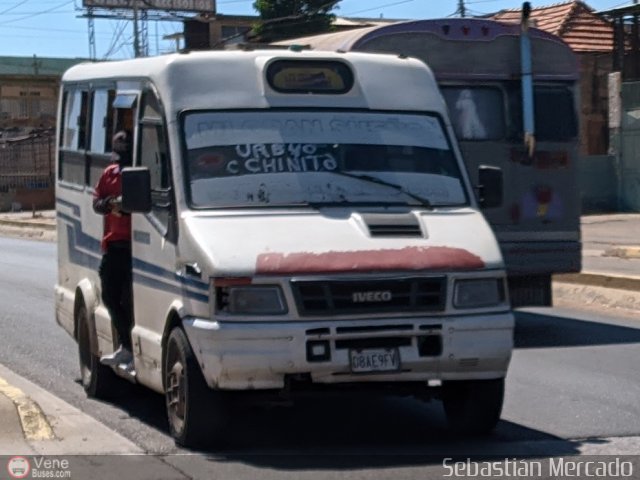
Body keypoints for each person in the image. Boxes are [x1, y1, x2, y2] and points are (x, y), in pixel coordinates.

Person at [93, 130, 134, 370]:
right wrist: (111, 204)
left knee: (130, 301)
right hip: (114, 245)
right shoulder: (109, 174)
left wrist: (127, 208)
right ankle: (125, 346)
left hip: (137, 247)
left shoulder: (140, 173)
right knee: (109, 296)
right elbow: (97, 202)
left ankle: (131, 348)